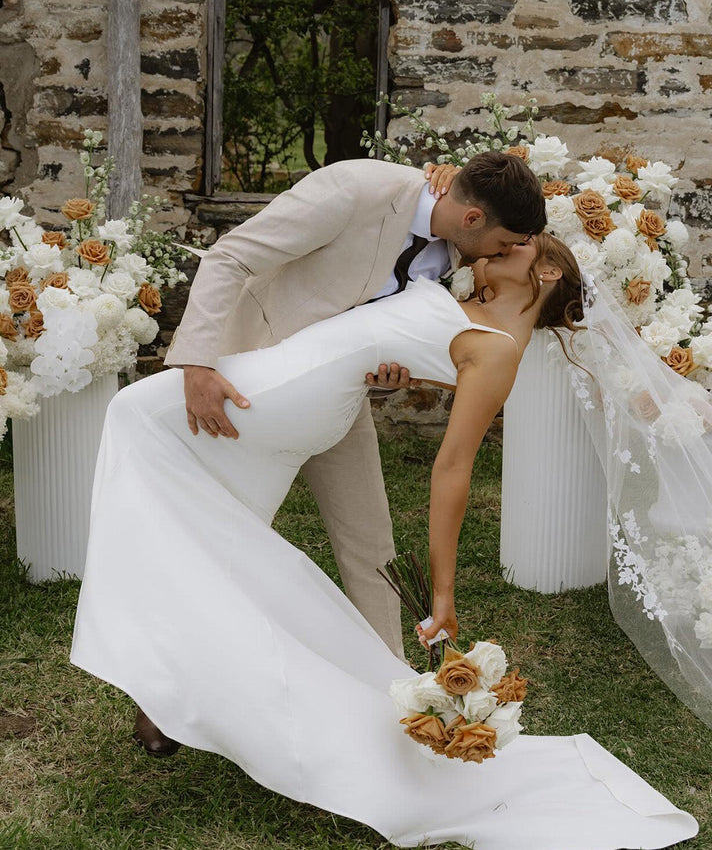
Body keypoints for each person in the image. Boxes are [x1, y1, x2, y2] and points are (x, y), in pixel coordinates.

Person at [70, 234, 697, 850]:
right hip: (296, 379)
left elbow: (453, 470)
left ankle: (176, 681)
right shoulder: (460, 292)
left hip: (286, 394)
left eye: (525, 241)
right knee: (208, 531)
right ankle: (175, 684)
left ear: (551, 273)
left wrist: (443, 595)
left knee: (135, 422)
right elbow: (392, 333)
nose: (506, 240)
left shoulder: (500, 353)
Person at [163, 151, 546, 665]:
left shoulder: (458, 244)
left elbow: (378, 331)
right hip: (252, 385)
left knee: (370, 540)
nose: (495, 257)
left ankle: (391, 678)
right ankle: (165, 688)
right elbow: (231, 256)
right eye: (503, 243)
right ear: (473, 218)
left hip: (336, 400)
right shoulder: (354, 188)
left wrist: (387, 381)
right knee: (232, 537)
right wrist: (198, 364)